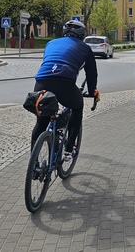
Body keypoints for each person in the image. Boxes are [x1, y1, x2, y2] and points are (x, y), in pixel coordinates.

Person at [32, 20, 99, 162]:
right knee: (77, 106)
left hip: (41, 82)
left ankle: (34, 163)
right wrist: (92, 91)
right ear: (81, 35)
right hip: (65, 83)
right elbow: (91, 74)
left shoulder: (51, 43)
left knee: (41, 122)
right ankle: (69, 149)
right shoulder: (85, 48)